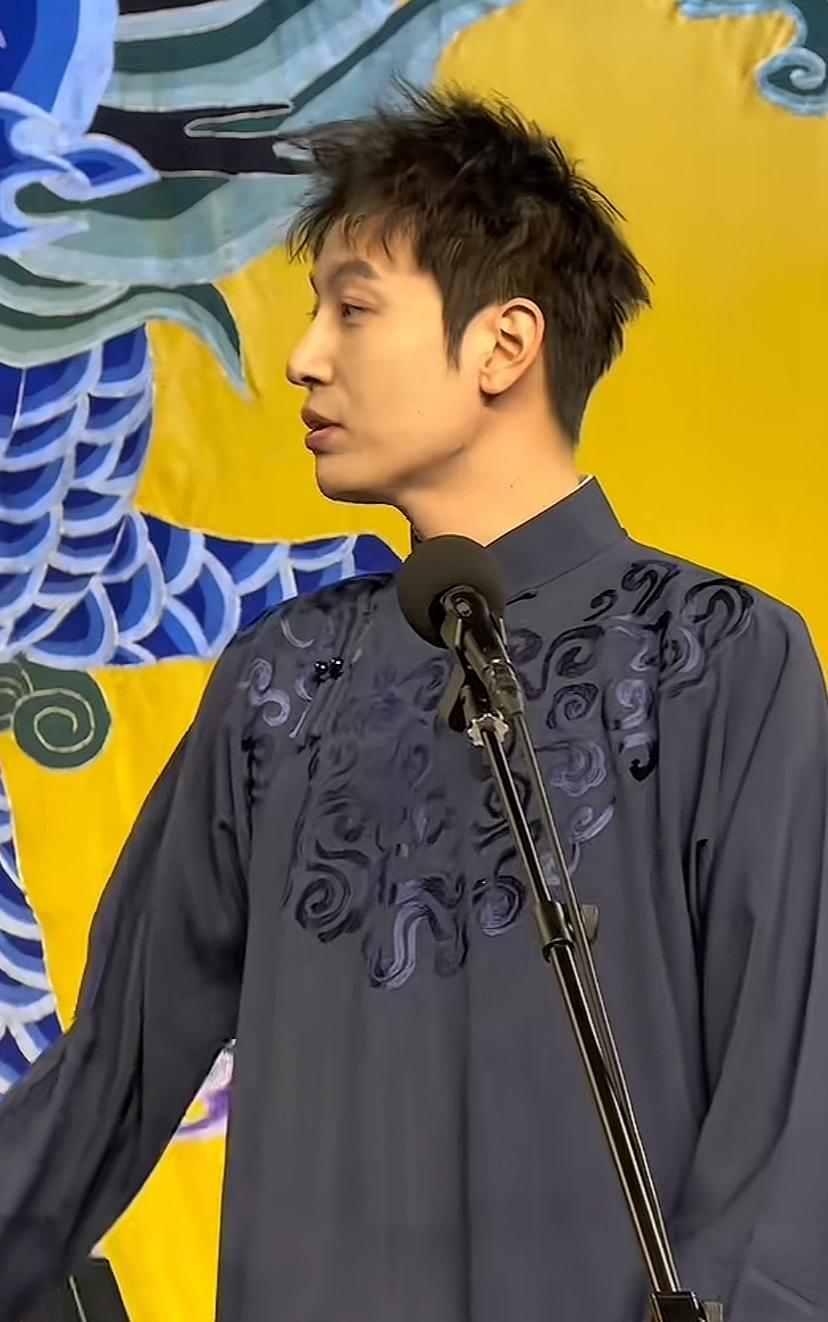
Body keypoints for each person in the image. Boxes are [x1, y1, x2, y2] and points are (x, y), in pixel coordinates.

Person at [1, 82, 826, 1322]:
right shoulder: (283, 679)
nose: (304, 356)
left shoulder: (717, 655)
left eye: (352, 307)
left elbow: (790, 1112)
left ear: (504, 344)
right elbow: (102, 1086)